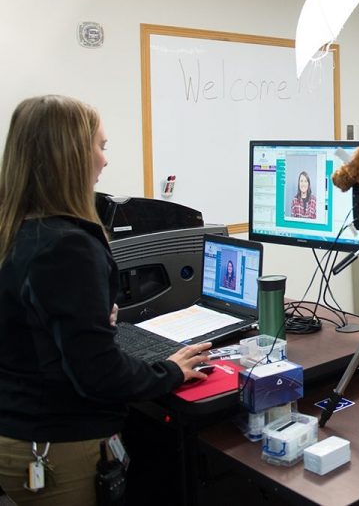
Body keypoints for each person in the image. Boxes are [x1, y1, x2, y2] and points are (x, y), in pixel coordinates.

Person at [0, 95, 210, 505]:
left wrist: (89, 319)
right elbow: (98, 374)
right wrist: (168, 371)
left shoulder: (17, 230)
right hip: (56, 444)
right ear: (71, 157)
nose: (105, 160)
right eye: (101, 146)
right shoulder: (68, 246)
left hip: (17, 427)